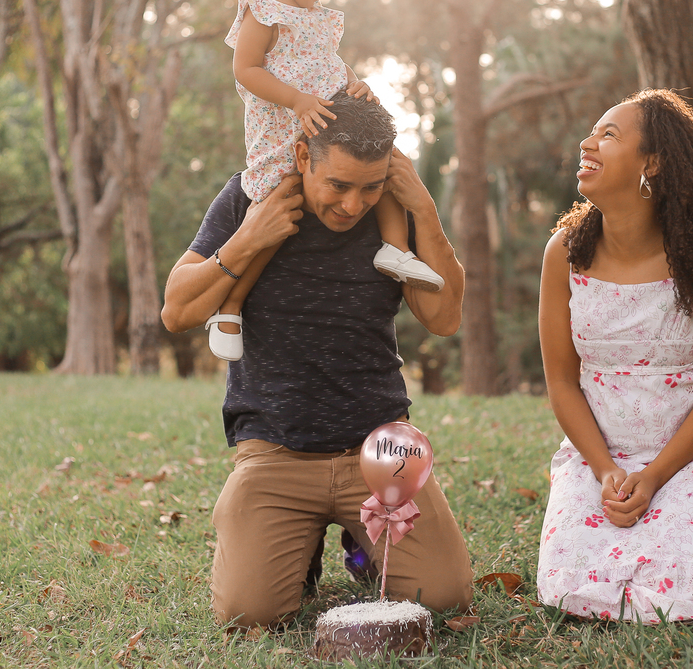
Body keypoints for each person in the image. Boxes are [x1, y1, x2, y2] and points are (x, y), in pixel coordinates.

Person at [161, 92, 474, 630]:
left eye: (370, 187)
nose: (354, 205)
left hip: (380, 449)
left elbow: (443, 318)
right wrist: (246, 241)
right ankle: (301, 541)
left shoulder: (396, 211)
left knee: (443, 597)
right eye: (339, 185)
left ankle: (359, 539)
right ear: (304, 157)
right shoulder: (249, 195)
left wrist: (424, 210)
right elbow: (177, 309)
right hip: (276, 451)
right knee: (247, 614)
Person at [536, 88, 693, 624]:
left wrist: (654, 476)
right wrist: (605, 468)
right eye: (592, 131)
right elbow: (563, 384)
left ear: (652, 162)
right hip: (598, 460)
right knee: (568, 589)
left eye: (609, 134)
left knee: (676, 595)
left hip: (689, 461)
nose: (588, 143)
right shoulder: (564, 253)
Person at [209, 0, 443, 363]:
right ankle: (230, 306)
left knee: (379, 175)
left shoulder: (314, 16)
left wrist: (357, 86)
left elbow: (331, 66)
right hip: (283, 132)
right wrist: (296, 101)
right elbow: (246, 70)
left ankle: (395, 251)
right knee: (272, 221)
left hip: (324, 128)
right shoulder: (264, 12)